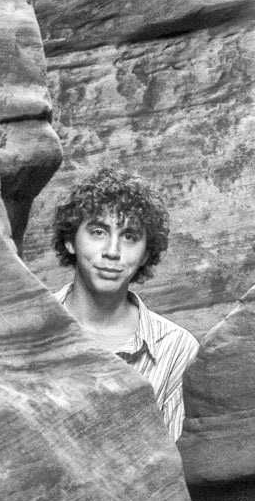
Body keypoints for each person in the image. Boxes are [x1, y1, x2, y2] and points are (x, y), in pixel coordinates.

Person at [51, 169, 198, 440]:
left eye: (129, 237)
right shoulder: (33, 328)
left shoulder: (175, 348)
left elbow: (176, 469)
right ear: (71, 240)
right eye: (98, 232)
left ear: (145, 254)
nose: (112, 251)